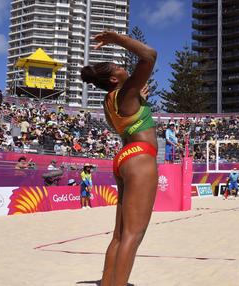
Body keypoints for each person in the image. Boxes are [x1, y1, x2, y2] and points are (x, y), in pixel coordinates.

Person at [80, 30, 158, 286]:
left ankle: (107, 282)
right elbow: (149, 56)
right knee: (133, 235)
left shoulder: (110, 100)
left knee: (119, 235)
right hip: (140, 157)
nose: (124, 67)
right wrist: (119, 39)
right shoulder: (125, 95)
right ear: (114, 79)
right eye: (119, 67)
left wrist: (139, 98)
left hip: (124, 157)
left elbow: (127, 124)